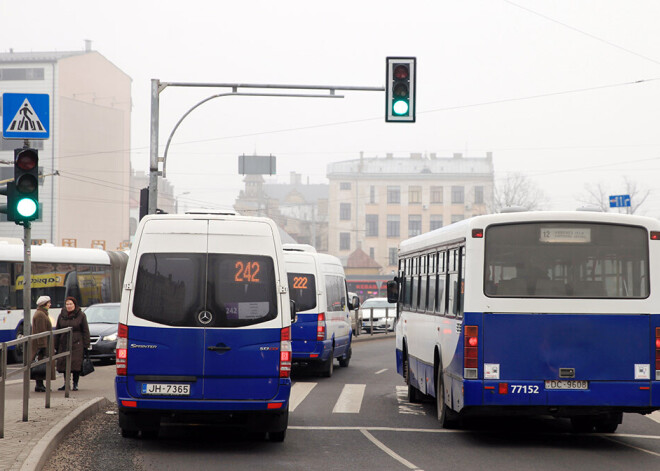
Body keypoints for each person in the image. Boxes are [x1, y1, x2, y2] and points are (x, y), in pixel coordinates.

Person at [56, 296, 90, 391]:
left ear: (75, 305)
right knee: (64, 364)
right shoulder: (61, 315)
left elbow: (85, 331)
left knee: (75, 364)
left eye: (70, 304)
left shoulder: (81, 315)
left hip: (77, 343)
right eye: (67, 304)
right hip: (64, 342)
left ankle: (75, 383)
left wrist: (86, 345)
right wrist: (55, 345)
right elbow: (57, 330)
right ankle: (66, 384)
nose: (69, 306)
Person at [31, 295, 56, 392]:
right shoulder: (41, 315)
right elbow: (41, 332)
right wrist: (42, 346)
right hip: (41, 344)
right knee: (41, 364)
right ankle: (39, 385)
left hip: (41, 343)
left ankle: (40, 384)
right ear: (44, 304)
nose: (50, 304)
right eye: (49, 303)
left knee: (40, 364)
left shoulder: (41, 313)